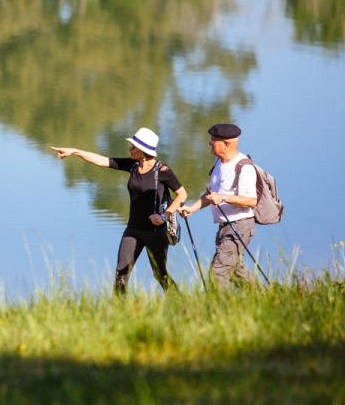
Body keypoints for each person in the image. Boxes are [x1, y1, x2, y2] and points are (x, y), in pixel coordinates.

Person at [51, 128, 187, 294]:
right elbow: (102, 161)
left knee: (160, 275)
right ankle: (120, 312)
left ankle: (180, 303)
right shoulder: (133, 166)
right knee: (121, 275)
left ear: (143, 151)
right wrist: (75, 151)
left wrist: (164, 215)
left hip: (155, 231)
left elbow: (182, 194)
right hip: (133, 230)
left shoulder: (163, 171)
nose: (129, 149)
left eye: (133, 147)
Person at [178, 123, 258, 288]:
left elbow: (251, 201)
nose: (209, 143)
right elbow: (212, 194)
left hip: (240, 226)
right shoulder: (218, 163)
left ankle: (221, 309)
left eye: (213, 140)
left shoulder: (244, 167)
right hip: (224, 227)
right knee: (235, 271)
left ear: (226, 144)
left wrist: (223, 198)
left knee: (218, 271)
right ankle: (268, 297)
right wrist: (192, 208)